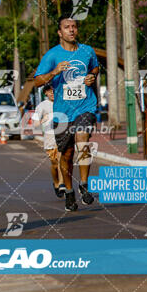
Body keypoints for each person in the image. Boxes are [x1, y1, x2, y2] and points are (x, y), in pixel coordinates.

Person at [34, 15, 99, 212]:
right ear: (60, 33)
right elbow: (37, 80)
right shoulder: (52, 55)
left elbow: (95, 67)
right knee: (67, 154)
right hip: (62, 113)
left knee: (83, 140)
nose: (71, 30)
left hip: (85, 106)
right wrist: (54, 72)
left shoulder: (87, 51)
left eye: (74, 26)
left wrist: (92, 76)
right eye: (67, 27)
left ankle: (85, 185)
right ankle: (69, 192)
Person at [32, 84, 65, 198]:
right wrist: (43, 120)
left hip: (62, 136)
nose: (52, 93)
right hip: (49, 139)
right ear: (45, 93)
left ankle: (61, 184)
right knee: (55, 164)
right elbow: (35, 124)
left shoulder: (63, 103)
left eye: (54, 91)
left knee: (62, 161)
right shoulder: (42, 106)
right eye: (49, 91)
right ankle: (56, 182)